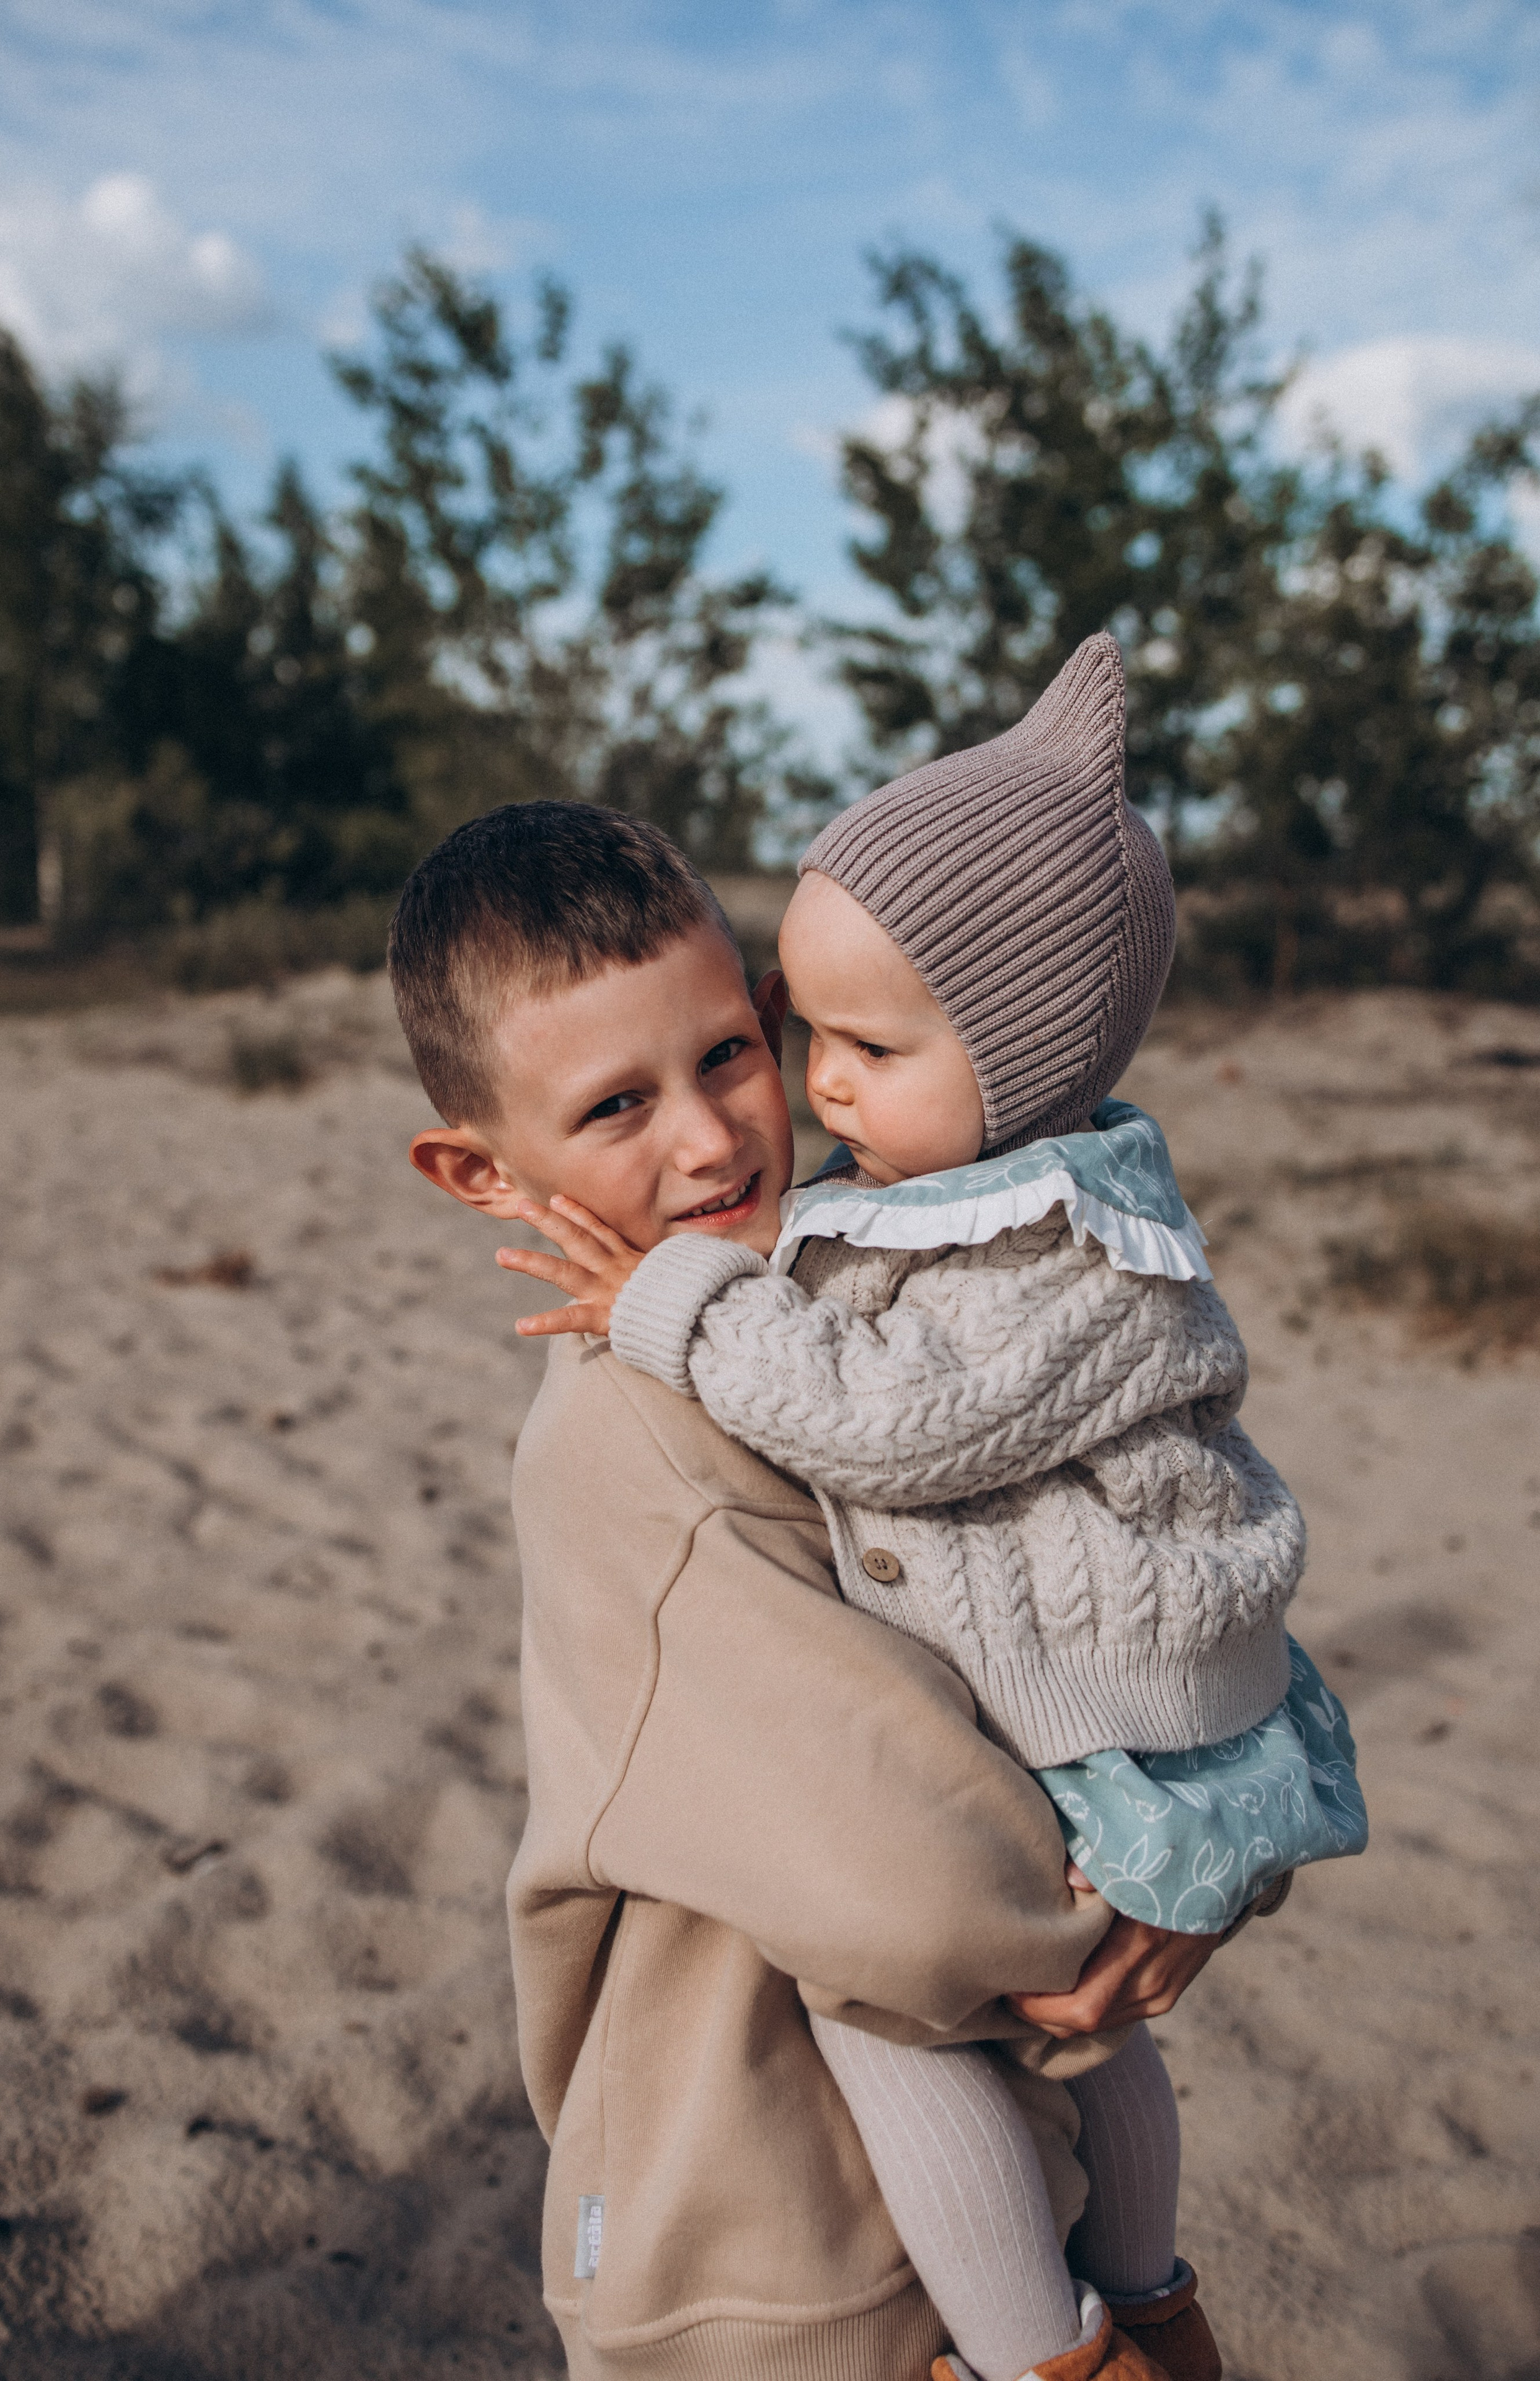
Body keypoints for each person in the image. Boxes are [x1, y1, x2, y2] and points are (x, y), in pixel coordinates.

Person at [495, 639, 1366, 2381]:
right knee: (1051, 2040)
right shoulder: (687, 1403)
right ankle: (1137, 2307)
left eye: (766, 1048)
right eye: (803, 1035)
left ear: (1018, 1056)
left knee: (904, 2006)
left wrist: (664, 1300)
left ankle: (1076, 2340)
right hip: (794, 2154)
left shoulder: (984, 1251)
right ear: (484, 1163)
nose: (769, 1116)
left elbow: (904, 1441)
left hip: (1021, 1878)